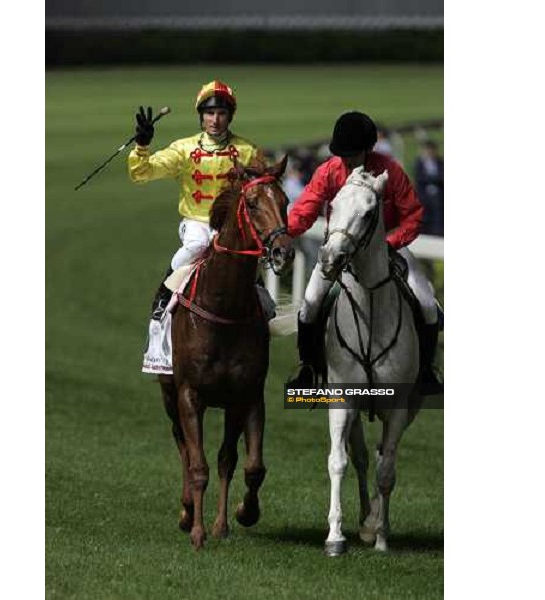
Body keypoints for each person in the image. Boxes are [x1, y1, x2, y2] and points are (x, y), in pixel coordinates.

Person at [287, 111, 442, 391]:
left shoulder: (390, 171)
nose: (347, 160)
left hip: (388, 247)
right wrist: (283, 234)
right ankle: (308, 370)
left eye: (353, 154)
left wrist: (389, 244)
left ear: (369, 149)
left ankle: (427, 372)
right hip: (338, 251)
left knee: (427, 303)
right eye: (343, 154)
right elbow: (305, 209)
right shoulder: (328, 170)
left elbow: (413, 216)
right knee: (310, 302)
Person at [128, 80, 265, 320]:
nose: (215, 120)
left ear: (230, 116)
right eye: (210, 113)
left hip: (232, 224)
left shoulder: (248, 151)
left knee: (247, 258)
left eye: (222, 113)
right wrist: (142, 146)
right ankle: (163, 293)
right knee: (196, 246)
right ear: (201, 116)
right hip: (197, 222)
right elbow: (141, 174)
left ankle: (262, 298)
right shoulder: (183, 149)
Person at [414, 140, 444, 236]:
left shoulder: (440, 162)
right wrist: (433, 178)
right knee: (424, 214)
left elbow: (442, 176)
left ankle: (438, 233)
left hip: (438, 193)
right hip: (424, 194)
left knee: (438, 215)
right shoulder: (419, 163)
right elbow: (419, 177)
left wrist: (430, 178)